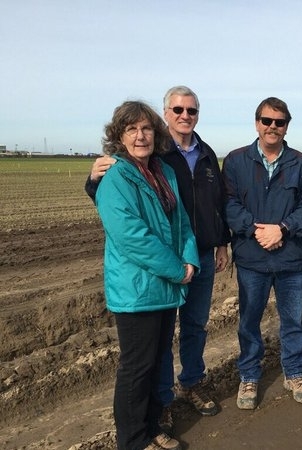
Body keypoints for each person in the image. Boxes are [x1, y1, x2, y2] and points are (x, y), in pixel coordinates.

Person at [86, 86, 230, 432]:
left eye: (191, 111)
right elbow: (119, 208)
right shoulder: (154, 157)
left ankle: (191, 383)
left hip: (197, 257)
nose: (185, 116)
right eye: (178, 110)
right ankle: (162, 403)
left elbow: (214, 204)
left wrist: (219, 244)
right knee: (153, 349)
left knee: (193, 327)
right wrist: (92, 180)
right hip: (158, 270)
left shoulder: (206, 155)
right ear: (166, 114)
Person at [94, 101, 200, 450]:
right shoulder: (116, 178)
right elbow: (132, 237)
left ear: (156, 133)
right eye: (132, 130)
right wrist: (176, 270)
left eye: (147, 129)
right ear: (119, 136)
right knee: (136, 368)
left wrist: (190, 261)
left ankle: (153, 426)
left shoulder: (162, 172)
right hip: (137, 289)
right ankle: (132, 440)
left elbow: (181, 222)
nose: (141, 136)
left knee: (157, 362)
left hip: (165, 287)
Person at [222, 97, 302, 410]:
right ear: (257, 123)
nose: (272, 127)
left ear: (286, 126)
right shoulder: (237, 161)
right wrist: (256, 230)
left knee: (293, 321)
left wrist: (284, 229)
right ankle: (249, 376)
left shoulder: (301, 163)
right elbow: (228, 204)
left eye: (279, 122)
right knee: (249, 321)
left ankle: (294, 373)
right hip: (252, 259)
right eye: (267, 121)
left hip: (290, 257)